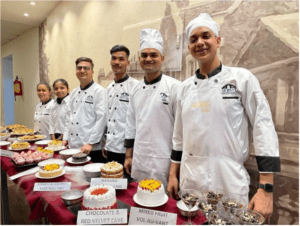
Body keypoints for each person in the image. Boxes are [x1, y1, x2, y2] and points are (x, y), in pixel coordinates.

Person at [167, 13, 280, 219]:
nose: (200, 42)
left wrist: (266, 187)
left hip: (229, 181)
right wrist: (172, 175)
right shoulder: (183, 89)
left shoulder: (242, 79)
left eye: (206, 36)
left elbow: (263, 126)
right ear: (189, 47)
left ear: (218, 41)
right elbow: (178, 137)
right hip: (190, 180)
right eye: (193, 39)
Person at [124, 28, 181, 188]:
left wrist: (174, 171)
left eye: (153, 55)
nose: (148, 59)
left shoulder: (175, 87)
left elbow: (181, 132)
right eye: (144, 55)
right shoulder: (135, 89)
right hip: (139, 158)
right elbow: (130, 124)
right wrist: (129, 156)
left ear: (162, 58)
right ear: (139, 58)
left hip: (164, 161)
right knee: (139, 200)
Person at [62, 57, 107, 163]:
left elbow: (102, 119)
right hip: (73, 146)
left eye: (86, 68)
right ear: (76, 71)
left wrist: (91, 143)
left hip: (91, 148)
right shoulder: (74, 92)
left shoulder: (100, 91)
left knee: (89, 178)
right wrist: (65, 138)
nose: (82, 71)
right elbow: (69, 117)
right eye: (79, 68)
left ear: (92, 72)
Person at [102, 45, 139, 165]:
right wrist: (106, 143)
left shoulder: (135, 86)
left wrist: (130, 153)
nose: (116, 62)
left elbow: (136, 122)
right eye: (114, 58)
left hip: (127, 150)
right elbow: (110, 119)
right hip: (110, 147)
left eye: (121, 59)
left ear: (128, 63)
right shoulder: (109, 88)